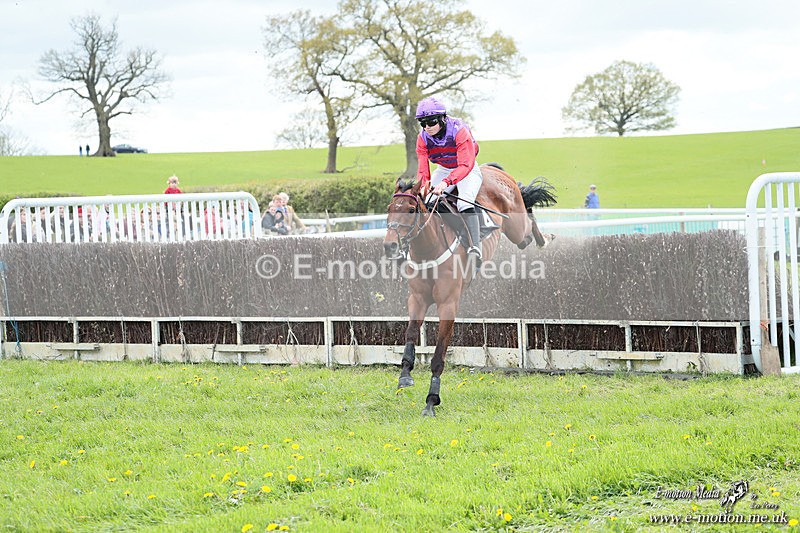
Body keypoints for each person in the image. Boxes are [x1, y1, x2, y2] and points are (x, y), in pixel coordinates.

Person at [415, 96, 483, 264]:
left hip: (467, 168)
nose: (427, 127)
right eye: (423, 123)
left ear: (442, 119)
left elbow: (466, 164)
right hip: (444, 167)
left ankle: (475, 246)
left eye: (431, 122)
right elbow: (423, 169)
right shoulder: (422, 138)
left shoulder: (459, 131)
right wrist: (423, 187)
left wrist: (446, 182)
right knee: (428, 201)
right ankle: (457, 231)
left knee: (464, 203)